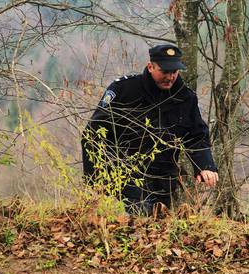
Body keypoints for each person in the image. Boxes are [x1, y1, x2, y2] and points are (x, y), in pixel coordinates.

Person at [82, 43, 218, 215]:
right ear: (150, 67)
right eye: (165, 71)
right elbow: (92, 135)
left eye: (174, 72)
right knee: (139, 218)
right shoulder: (123, 90)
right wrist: (95, 179)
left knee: (156, 228)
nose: (170, 77)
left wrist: (205, 165)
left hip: (164, 180)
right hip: (124, 175)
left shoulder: (185, 97)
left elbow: (197, 136)